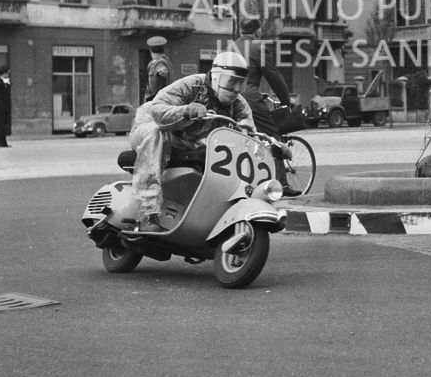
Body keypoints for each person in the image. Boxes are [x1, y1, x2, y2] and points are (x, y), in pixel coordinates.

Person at [128, 48, 255, 231]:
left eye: (240, 83)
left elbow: (248, 130)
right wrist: (186, 110)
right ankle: (149, 212)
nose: (236, 88)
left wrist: (272, 146)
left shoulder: (239, 103)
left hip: (188, 139)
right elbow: (157, 109)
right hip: (151, 126)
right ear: (217, 76)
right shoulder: (191, 85)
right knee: (156, 134)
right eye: (232, 81)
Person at [239, 17, 302, 196]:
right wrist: (285, 100)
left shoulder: (230, 47)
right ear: (257, 31)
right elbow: (273, 76)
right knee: (272, 137)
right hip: (249, 100)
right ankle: (281, 185)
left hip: (229, 99)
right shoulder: (258, 48)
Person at [143, 35, 174, 102]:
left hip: (158, 100)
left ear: (151, 51)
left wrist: (156, 98)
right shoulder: (166, 61)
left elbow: (163, 72)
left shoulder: (158, 62)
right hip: (164, 99)